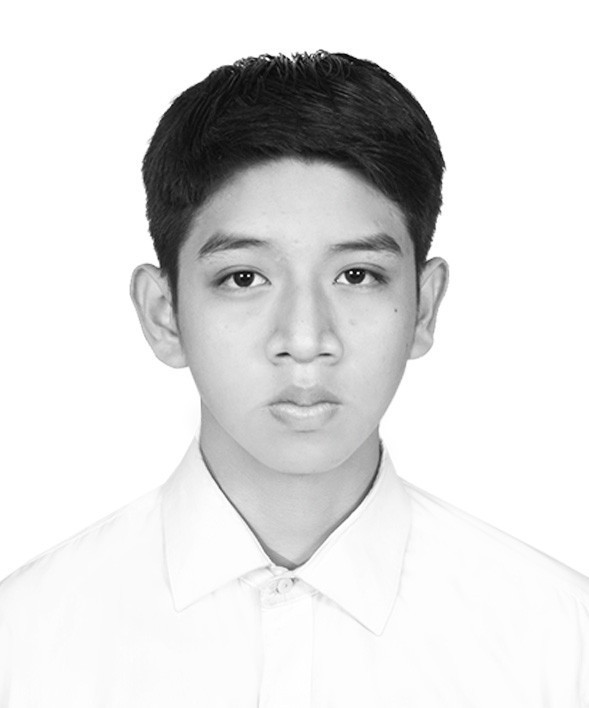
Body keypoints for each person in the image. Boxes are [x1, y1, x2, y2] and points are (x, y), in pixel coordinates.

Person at [0, 50, 587, 707]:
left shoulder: (559, 643)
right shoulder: (24, 644)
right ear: (164, 313)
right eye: (243, 277)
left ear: (423, 307)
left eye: (357, 275)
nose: (305, 340)